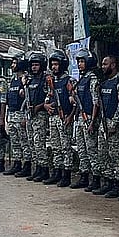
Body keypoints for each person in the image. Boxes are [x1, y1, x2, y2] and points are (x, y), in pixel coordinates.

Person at [45, 49, 76, 187]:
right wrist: (46, 105)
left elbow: (76, 102)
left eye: (56, 64)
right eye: (52, 64)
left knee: (65, 147)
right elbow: (48, 97)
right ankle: (57, 172)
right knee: (55, 147)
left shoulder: (69, 81)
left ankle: (66, 174)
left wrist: (70, 117)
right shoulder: (51, 81)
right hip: (53, 117)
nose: (54, 67)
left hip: (65, 118)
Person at [72, 49, 102, 191]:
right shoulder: (82, 79)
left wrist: (92, 122)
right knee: (81, 149)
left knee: (91, 149)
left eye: (82, 61)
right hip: (80, 118)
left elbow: (96, 102)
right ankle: (84, 175)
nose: (79, 64)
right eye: (78, 62)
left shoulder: (93, 79)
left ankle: (95, 178)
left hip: (89, 117)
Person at [97, 56, 119, 198]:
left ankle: (118, 184)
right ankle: (107, 182)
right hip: (104, 123)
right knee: (104, 154)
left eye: (105, 63)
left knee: (116, 156)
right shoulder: (104, 84)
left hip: (115, 125)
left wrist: (114, 124)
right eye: (102, 64)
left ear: (113, 65)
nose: (102, 66)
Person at [2, 51, 32, 177]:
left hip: (22, 114)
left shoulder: (26, 79)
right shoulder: (13, 80)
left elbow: (29, 99)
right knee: (15, 142)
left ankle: (27, 165)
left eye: (15, 63)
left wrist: (25, 117)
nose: (12, 65)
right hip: (13, 114)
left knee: (24, 142)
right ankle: (17, 163)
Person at [26, 52, 52, 182]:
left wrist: (40, 106)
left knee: (39, 142)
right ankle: (37, 168)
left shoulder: (46, 79)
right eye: (32, 65)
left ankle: (44, 169)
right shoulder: (30, 79)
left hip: (41, 115)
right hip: (31, 115)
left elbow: (50, 97)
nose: (34, 67)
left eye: (36, 65)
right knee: (32, 142)